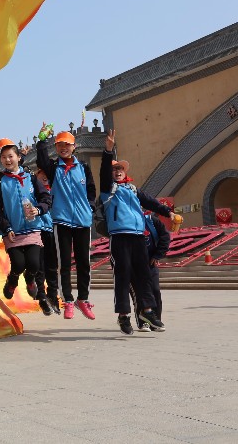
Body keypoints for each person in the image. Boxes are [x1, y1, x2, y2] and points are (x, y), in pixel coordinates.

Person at [100, 129, 177, 335]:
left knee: (144, 276)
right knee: (123, 276)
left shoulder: (133, 190)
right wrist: (108, 151)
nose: (117, 171)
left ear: (125, 172)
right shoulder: (108, 190)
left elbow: (152, 202)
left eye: (120, 168)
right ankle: (123, 315)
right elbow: (103, 173)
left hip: (138, 237)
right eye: (114, 169)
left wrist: (168, 212)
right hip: (119, 237)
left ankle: (148, 312)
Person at [36, 128, 96, 320]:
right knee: (64, 263)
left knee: (84, 262)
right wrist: (42, 140)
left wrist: (91, 206)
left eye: (67, 145)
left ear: (74, 147)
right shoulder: (54, 168)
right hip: (61, 221)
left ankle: (83, 299)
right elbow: (42, 161)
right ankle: (68, 300)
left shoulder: (83, 167)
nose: (64, 148)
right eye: (60, 145)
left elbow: (91, 188)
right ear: (56, 148)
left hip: (82, 221)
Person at [0, 139, 51, 308]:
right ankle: (13, 279)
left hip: (33, 228)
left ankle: (30, 279)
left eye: (10, 156)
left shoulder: (31, 177)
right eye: (3, 157)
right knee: (18, 264)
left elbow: (45, 197)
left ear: (18, 157)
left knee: (34, 264)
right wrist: (6, 227)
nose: (7, 160)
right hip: (12, 231)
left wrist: (39, 209)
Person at [131, 212, 170, 332]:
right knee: (138, 292)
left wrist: (158, 254)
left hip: (150, 263)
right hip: (133, 265)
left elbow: (165, 236)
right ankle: (143, 323)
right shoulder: (126, 221)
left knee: (155, 290)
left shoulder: (152, 221)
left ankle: (155, 321)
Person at [34, 169, 61, 315]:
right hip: (38, 230)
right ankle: (41, 297)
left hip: (53, 230)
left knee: (52, 266)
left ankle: (53, 295)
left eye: (46, 175)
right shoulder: (33, 192)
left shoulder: (56, 191)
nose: (44, 177)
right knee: (39, 267)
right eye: (41, 175)